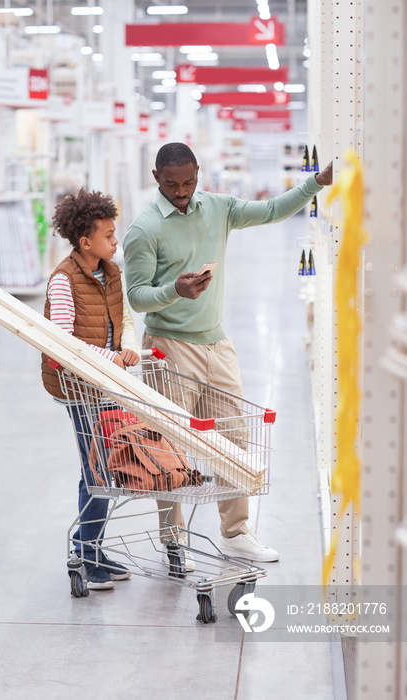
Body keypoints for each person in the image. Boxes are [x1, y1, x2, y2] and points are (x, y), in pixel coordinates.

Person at [123, 142, 333, 567]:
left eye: (188, 182)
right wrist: (174, 291)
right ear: (155, 179)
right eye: (171, 184)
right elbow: (137, 297)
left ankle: (236, 531)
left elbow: (272, 210)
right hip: (169, 347)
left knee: (235, 437)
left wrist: (316, 183)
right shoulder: (144, 230)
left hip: (216, 343)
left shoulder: (218, 207)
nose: (180, 191)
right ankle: (172, 539)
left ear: (199, 173)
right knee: (170, 448)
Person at [41, 188, 140, 590]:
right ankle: (85, 553)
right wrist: (108, 357)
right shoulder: (64, 281)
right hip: (77, 386)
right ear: (86, 242)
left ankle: (90, 547)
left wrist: (128, 347)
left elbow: (125, 317)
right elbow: (64, 343)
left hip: (103, 381)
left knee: (99, 468)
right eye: (110, 235)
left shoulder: (111, 273)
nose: (117, 241)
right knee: (97, 469)